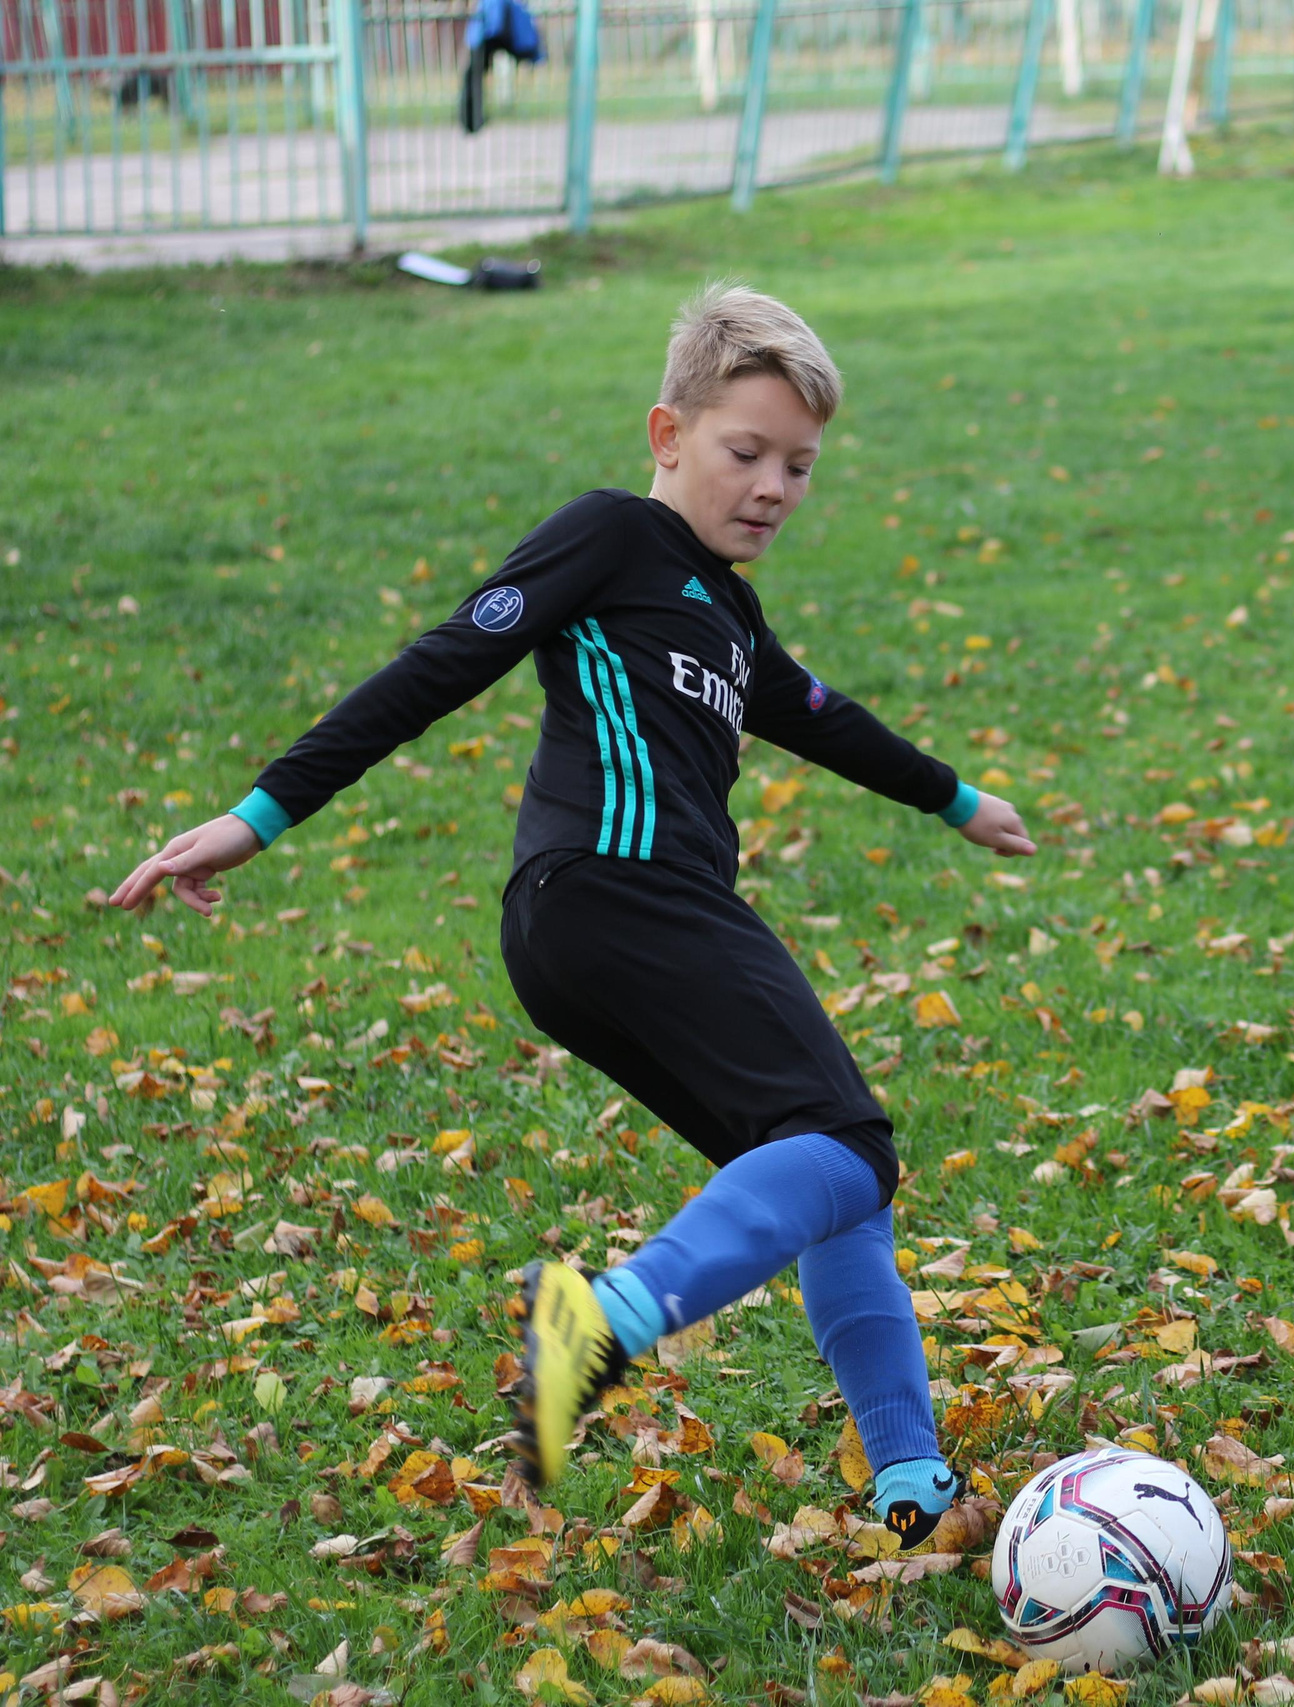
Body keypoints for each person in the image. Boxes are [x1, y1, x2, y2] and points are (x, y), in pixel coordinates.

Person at [106, 284, 1035, 1549]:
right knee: (848, 1143)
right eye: (743, 451)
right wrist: (258, 817)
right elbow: (438, 666)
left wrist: (959, 798)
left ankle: (911, 1482)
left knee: (831, 1182)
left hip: (599, 924)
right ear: (666, 434)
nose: (772, 485)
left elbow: (821, 718)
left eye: (800, 466)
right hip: (615, 889)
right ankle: (598, 1326)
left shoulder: (728, 611)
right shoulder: (611, 537)